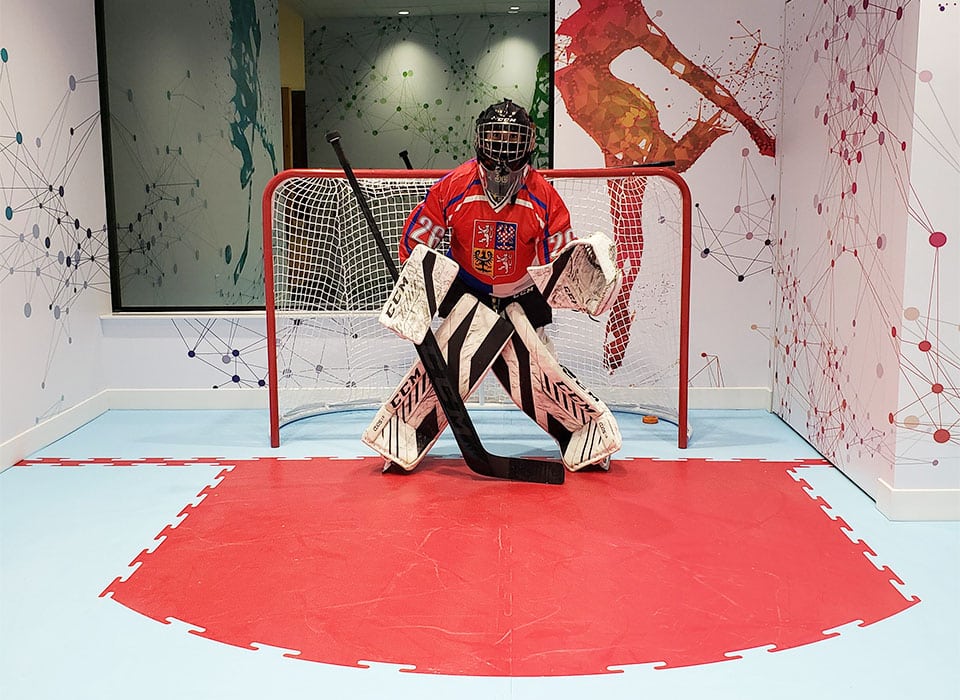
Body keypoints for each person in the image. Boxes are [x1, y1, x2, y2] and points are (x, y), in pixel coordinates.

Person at [398, 98, 575, 330]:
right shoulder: (453, 186)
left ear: (528, 142)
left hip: (522, 291)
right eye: (496, 136)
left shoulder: (544, 197)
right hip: (466, 287)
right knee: (455, 366)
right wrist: (414, 290)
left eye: (513, 137)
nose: (503, 147)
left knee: (528, 367)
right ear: (481, 139)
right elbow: (416, 241)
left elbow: (558, 262)